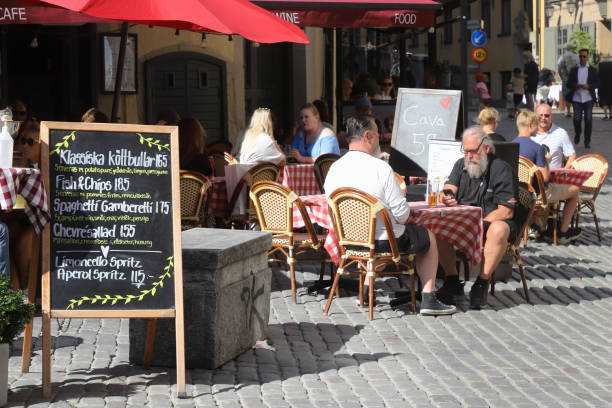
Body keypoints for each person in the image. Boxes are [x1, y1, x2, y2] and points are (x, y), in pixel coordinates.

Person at [323, 115, 456, 316]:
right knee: (427, 236)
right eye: (377, 135)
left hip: (349, 241)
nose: (379, 139)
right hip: (383, 242)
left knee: (378, 236)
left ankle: (367, 288)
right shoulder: (381, 168)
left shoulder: (333, 169)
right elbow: (402, 216)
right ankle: (429, 296)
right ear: (367, 136)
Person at [437, 126, 522, 309]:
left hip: (491, 223)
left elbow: (506, 210)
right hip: (464, 223)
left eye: (472, 151)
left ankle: (481, 283)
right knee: (437, 226)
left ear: (485, 148)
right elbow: (448, 188)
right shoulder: (461, 165)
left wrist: (479, 224)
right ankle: (452, 280)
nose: (468, 156)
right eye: (465, 151)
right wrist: (446, 197)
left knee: (499, 229)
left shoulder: (501, 169)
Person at [511, 111, 580, 243]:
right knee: (575, 190)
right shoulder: (537, 148)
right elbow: (546, 177)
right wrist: (547, 162)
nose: (538, 128)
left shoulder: (512, 145)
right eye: (536, 125)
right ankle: (563, 232)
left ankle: (538, 226)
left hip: (517, 193)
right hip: (536, 194)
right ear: (530, 125)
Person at [567, 48, 599, 149]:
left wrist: (588, 86)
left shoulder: (592, 70)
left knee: (588, 120)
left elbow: (597, 83)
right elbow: (568, 84)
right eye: (580, 56)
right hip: (576, 98)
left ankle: (587, 141)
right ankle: (577, 133)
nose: (582, 58)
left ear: (587, 57)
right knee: (576, 119)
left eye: (584, 56)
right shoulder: (574, 69)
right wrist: (575, 85)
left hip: (588, 98)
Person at [533, 104, 576, 169]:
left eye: (546, 115)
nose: (543, 118)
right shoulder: (529, 133)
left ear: (551, 116)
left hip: (554, 176)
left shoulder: (561, 133)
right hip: (532, 176)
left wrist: (564, 172)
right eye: (540, 115)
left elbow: (572, 155)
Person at [558, 43, 579, 118]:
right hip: (574, 78)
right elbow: (579, 67)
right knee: (575, 94)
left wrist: (562, 77)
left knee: (566, 95)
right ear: (571, 48)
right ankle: (576, 111)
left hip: (565, 78)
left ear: (565, 49)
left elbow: (559, 69)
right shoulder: (576, 56)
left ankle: (569, 111)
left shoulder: (562, 57)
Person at [597, 56, 612, 120]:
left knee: (604, 100)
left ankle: (605, 115)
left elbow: (596, 73)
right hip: (610, 85)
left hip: (602, 85)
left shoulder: (599, 64)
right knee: (610, 100)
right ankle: (611, 115)